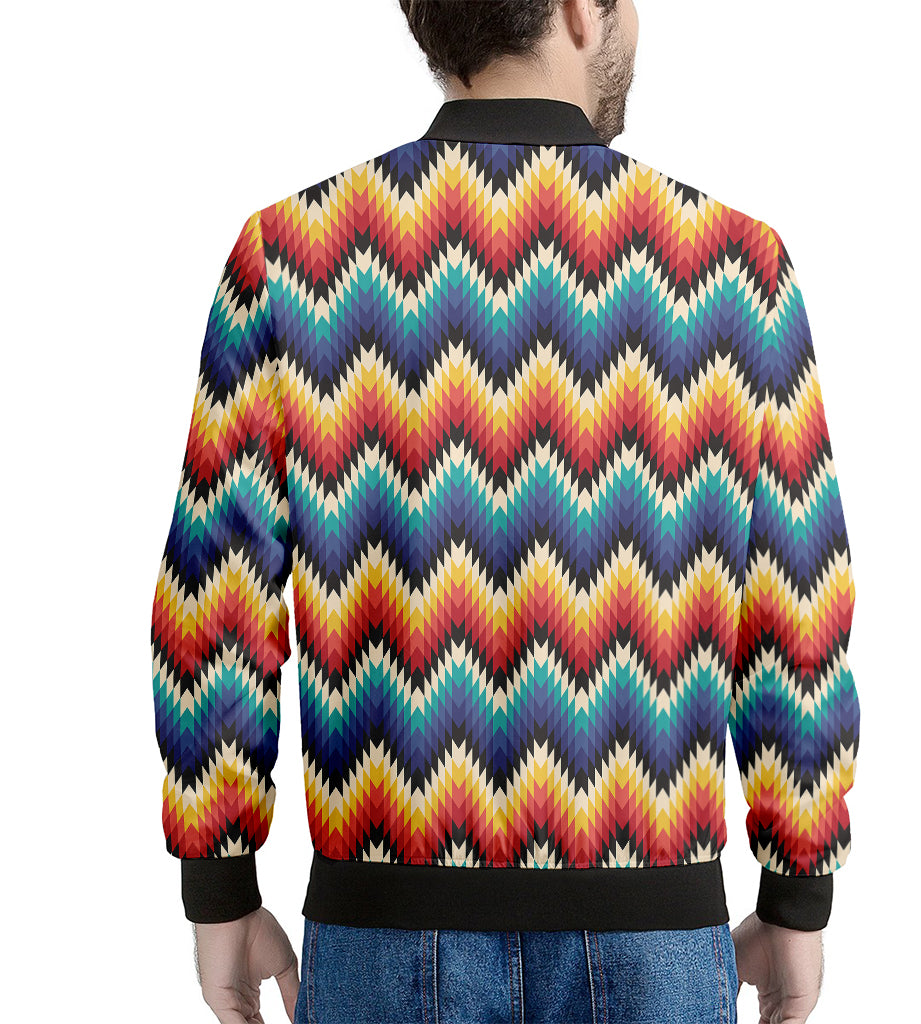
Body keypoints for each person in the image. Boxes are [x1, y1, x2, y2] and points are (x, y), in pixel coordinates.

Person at [148, 2, 861, 1022]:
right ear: (578, 11)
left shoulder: (291, 255)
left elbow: (213, 604)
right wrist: (796, 895)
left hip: (381, 924)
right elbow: (799, 608)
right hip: (652, 928)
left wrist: (219, 885)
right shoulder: (736, 268)